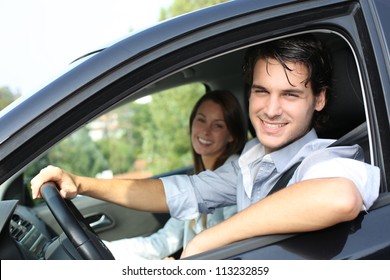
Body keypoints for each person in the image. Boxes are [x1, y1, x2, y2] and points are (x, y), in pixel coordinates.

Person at [31, 34, 380, 259]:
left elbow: (339, 197)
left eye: (290, 94)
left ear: (318, 99)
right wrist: (82, 183)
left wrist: (206, 241)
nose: (271, 109)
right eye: (262, 91)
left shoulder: (325, 157)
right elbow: (178, 192)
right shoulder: (251, 161)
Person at [103, 90, 247, 260]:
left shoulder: (234, 176)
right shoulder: (197, 181)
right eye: (201, 120)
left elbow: (237, 247)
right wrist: (105, 248)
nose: (206, 131)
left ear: (231, 135)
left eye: (218, 125)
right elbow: (163, 242)